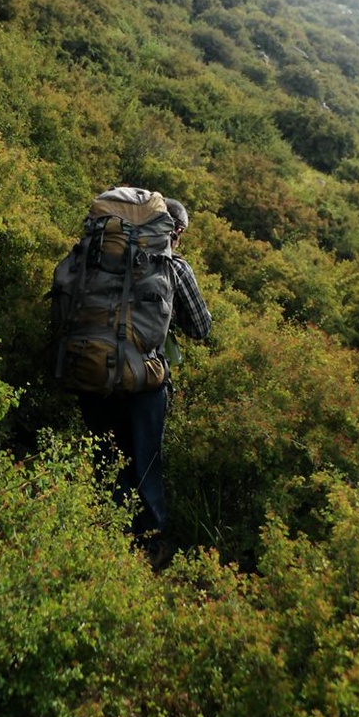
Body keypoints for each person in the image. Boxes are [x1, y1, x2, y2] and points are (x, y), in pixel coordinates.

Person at [76, 197, 211, 570]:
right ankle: (148, 548)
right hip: (143, 384)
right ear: (176, 230)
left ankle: (104, 539)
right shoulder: (175, 267)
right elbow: (201, 328)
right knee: (145, 462)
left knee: (106, 459)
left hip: (89, 372)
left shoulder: (92, 254)